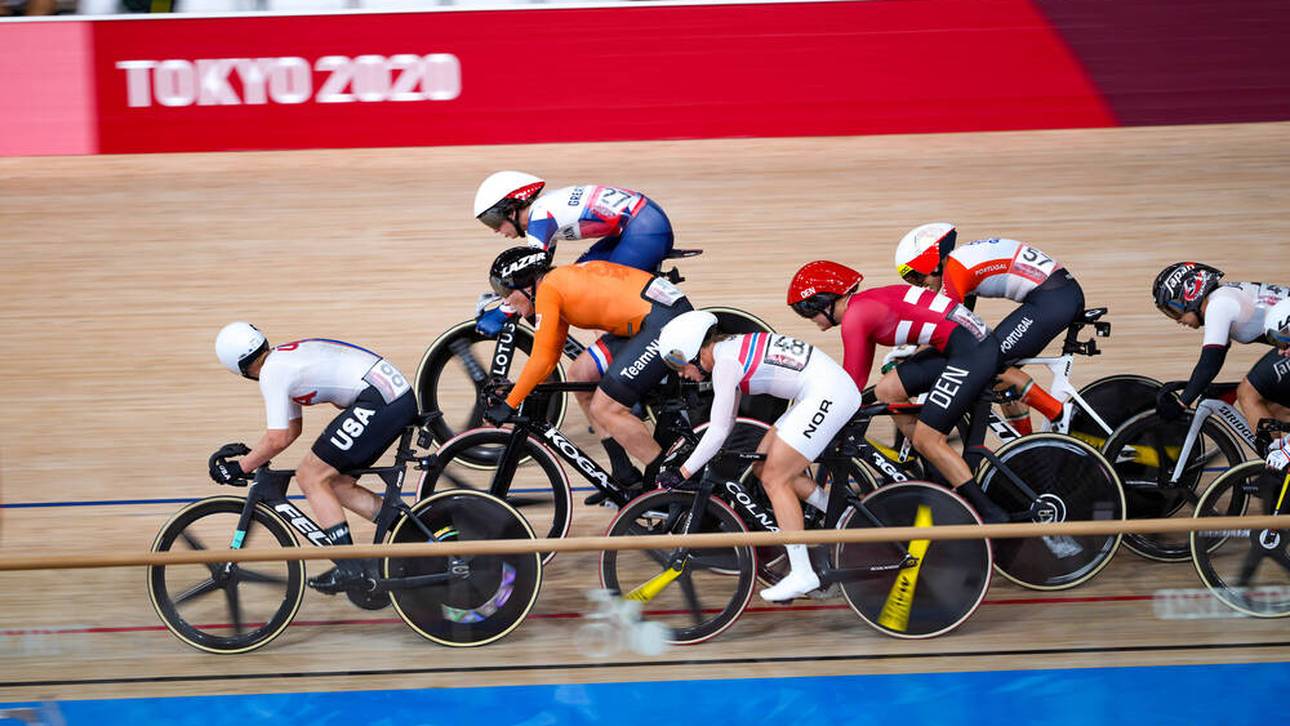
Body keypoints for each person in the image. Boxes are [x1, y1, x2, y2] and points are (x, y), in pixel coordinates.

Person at [655, 311, 862, 601]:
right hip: (820, 390)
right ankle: (841, 517)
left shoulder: (725, 365)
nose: (679, 372)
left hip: (828, 393)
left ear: (693, 349)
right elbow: (725, 424)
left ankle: (803, 573)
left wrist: (682, 473)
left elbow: (715, 432)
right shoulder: (729, 352)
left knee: (776, 479)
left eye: (677, 363)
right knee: (763, 466)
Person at [786, 260, 1008, 523]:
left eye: (808, 313)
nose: (810, 320)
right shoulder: (861, 308)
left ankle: (988, 512)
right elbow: (853, 383)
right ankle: (937, 465)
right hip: (964, 343)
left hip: (971, 351)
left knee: (927, 439)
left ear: (824, 302)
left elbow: (848, 389)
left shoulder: (855, 318)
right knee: (887, 390)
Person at [210, 322, 417, 598]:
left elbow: (278, 438)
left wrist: (240, 466)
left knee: (310, 476)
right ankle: (413, 535)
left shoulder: (273, 372)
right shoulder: (282, 360)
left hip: (380, 398)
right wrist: (252, 458)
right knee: (336, 484)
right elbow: (291, 430)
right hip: (389, 394)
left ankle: (348, 567)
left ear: (237, 368)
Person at [481, 247, 693, 501]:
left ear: (526, 285)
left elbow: (539, 360)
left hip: (663, 323)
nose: (506, 301)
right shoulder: (554, 285)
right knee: (581, 375)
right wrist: (518, 393)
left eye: (506, 292)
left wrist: (509, 403)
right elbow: (547, 359)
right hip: (650, 318)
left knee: (606, 408)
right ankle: (623, 472)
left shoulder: (549, 289)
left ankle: (671, 482)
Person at [886, 222, 1083, 434]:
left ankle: (1060, 414)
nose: (917, 285)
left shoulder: (954, 272)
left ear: (932, 264)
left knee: (989, 362)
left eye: (916, 276)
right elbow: (958, 326)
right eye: (909, 280)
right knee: (994, 370)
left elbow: (941, 327)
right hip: (1056, 295)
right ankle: (1025, 446)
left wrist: (912, 359)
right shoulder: (958, 263)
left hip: (1052, 299)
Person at [472, 171, 676, 335]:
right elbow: (540, 278)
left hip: (645, 229)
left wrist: (503, 311)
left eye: (493, 221)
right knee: (579, 277)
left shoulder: (541, 216)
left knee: (599, 295)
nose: (495, 230)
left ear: (512, 208)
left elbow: (531, 276)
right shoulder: (543, 210)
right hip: (639, 225)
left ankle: (631, 360)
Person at [1150, 262, 1290, 432]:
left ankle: (1277, 456)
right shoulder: (1223, 297)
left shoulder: (1219, 305)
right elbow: (1215, 358)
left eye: (1173, 310)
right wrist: (1193, 387)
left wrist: (1181, 403)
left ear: (1191, 294)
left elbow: (1209, 363)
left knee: (1248, 393)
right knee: (1269, 404)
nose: (1177, 320)